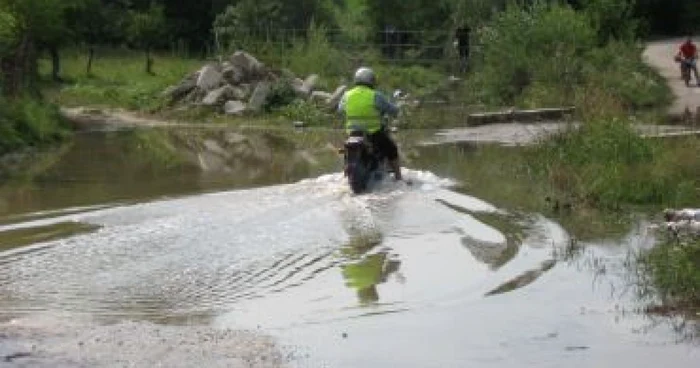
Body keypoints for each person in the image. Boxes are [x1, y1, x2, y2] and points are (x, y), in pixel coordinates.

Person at [338, 67, 403, 181]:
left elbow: (340, 110)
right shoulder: (375, 95)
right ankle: (398, 177)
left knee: (347, 150)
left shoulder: (346, 95)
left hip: (353, 133)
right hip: (373, 133)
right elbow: (392, 110)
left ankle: (345, 174)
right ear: (371, 80)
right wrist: (396, 109)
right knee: (392, 148)